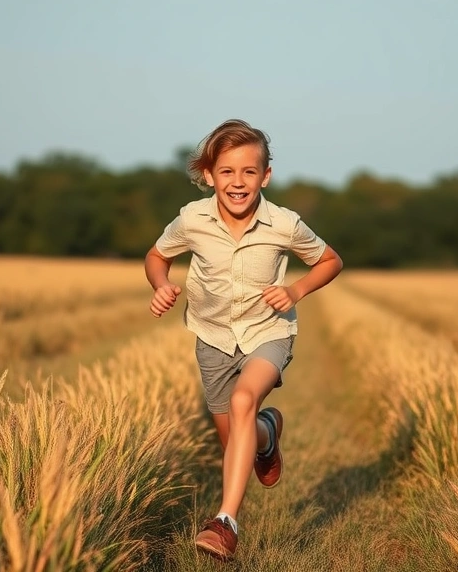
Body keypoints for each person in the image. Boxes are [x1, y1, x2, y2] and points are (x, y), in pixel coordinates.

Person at [144, 119, 343, 561]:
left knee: (242, 400)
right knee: (236, 437)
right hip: (212, 338)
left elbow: (330, 260)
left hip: (268, 332)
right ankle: (267, 433)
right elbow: (157, 255)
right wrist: (160, 284)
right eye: (227, 172)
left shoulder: (284, 223)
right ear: (210, 176)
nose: (238, 182)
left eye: (249, 172)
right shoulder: (191, 219)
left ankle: (225, 523)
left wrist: (295, 291)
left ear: (265, 176)